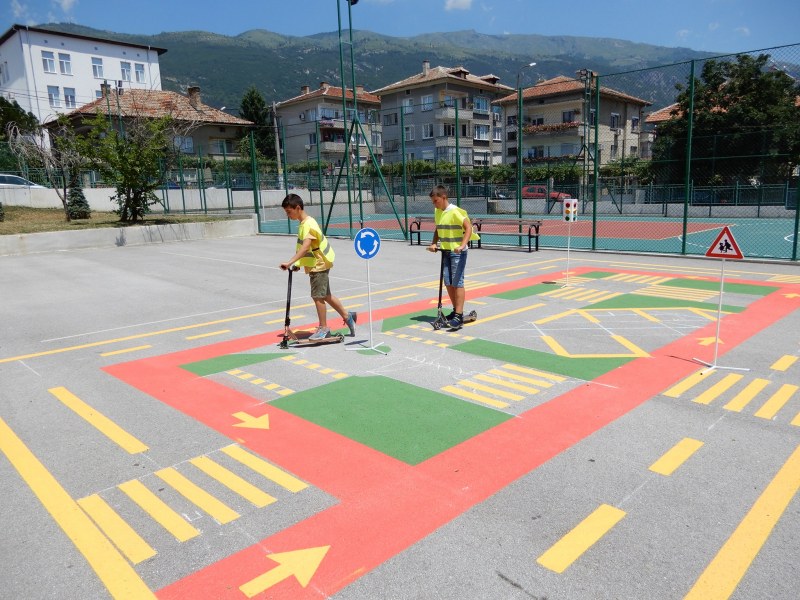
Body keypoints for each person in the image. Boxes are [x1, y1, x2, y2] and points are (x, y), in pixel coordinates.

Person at [279, 194, 356, 340]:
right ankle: (348, 317)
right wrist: (298, 264)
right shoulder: (304, 223)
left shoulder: (308, 224)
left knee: (317, 296)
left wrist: (290, 262)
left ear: (298, 208)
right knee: (326, 295)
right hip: (318, 263)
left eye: (289, 212)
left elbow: (306, 247)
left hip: (318, 265)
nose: (288, 215)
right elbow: (305, 249)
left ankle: (324, 328)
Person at [426, 185, 479, 329]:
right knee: (448, 282)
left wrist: (462, 245)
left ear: (443, 198)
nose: (434, 204)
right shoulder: (438, 211)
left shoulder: (455, 211)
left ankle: (459, 316)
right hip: (445, 251)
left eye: (435, 201)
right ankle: (456, 311)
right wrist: (434, 243)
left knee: (457, 282)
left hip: (458, 253)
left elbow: (469, 227)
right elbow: (438, 228)